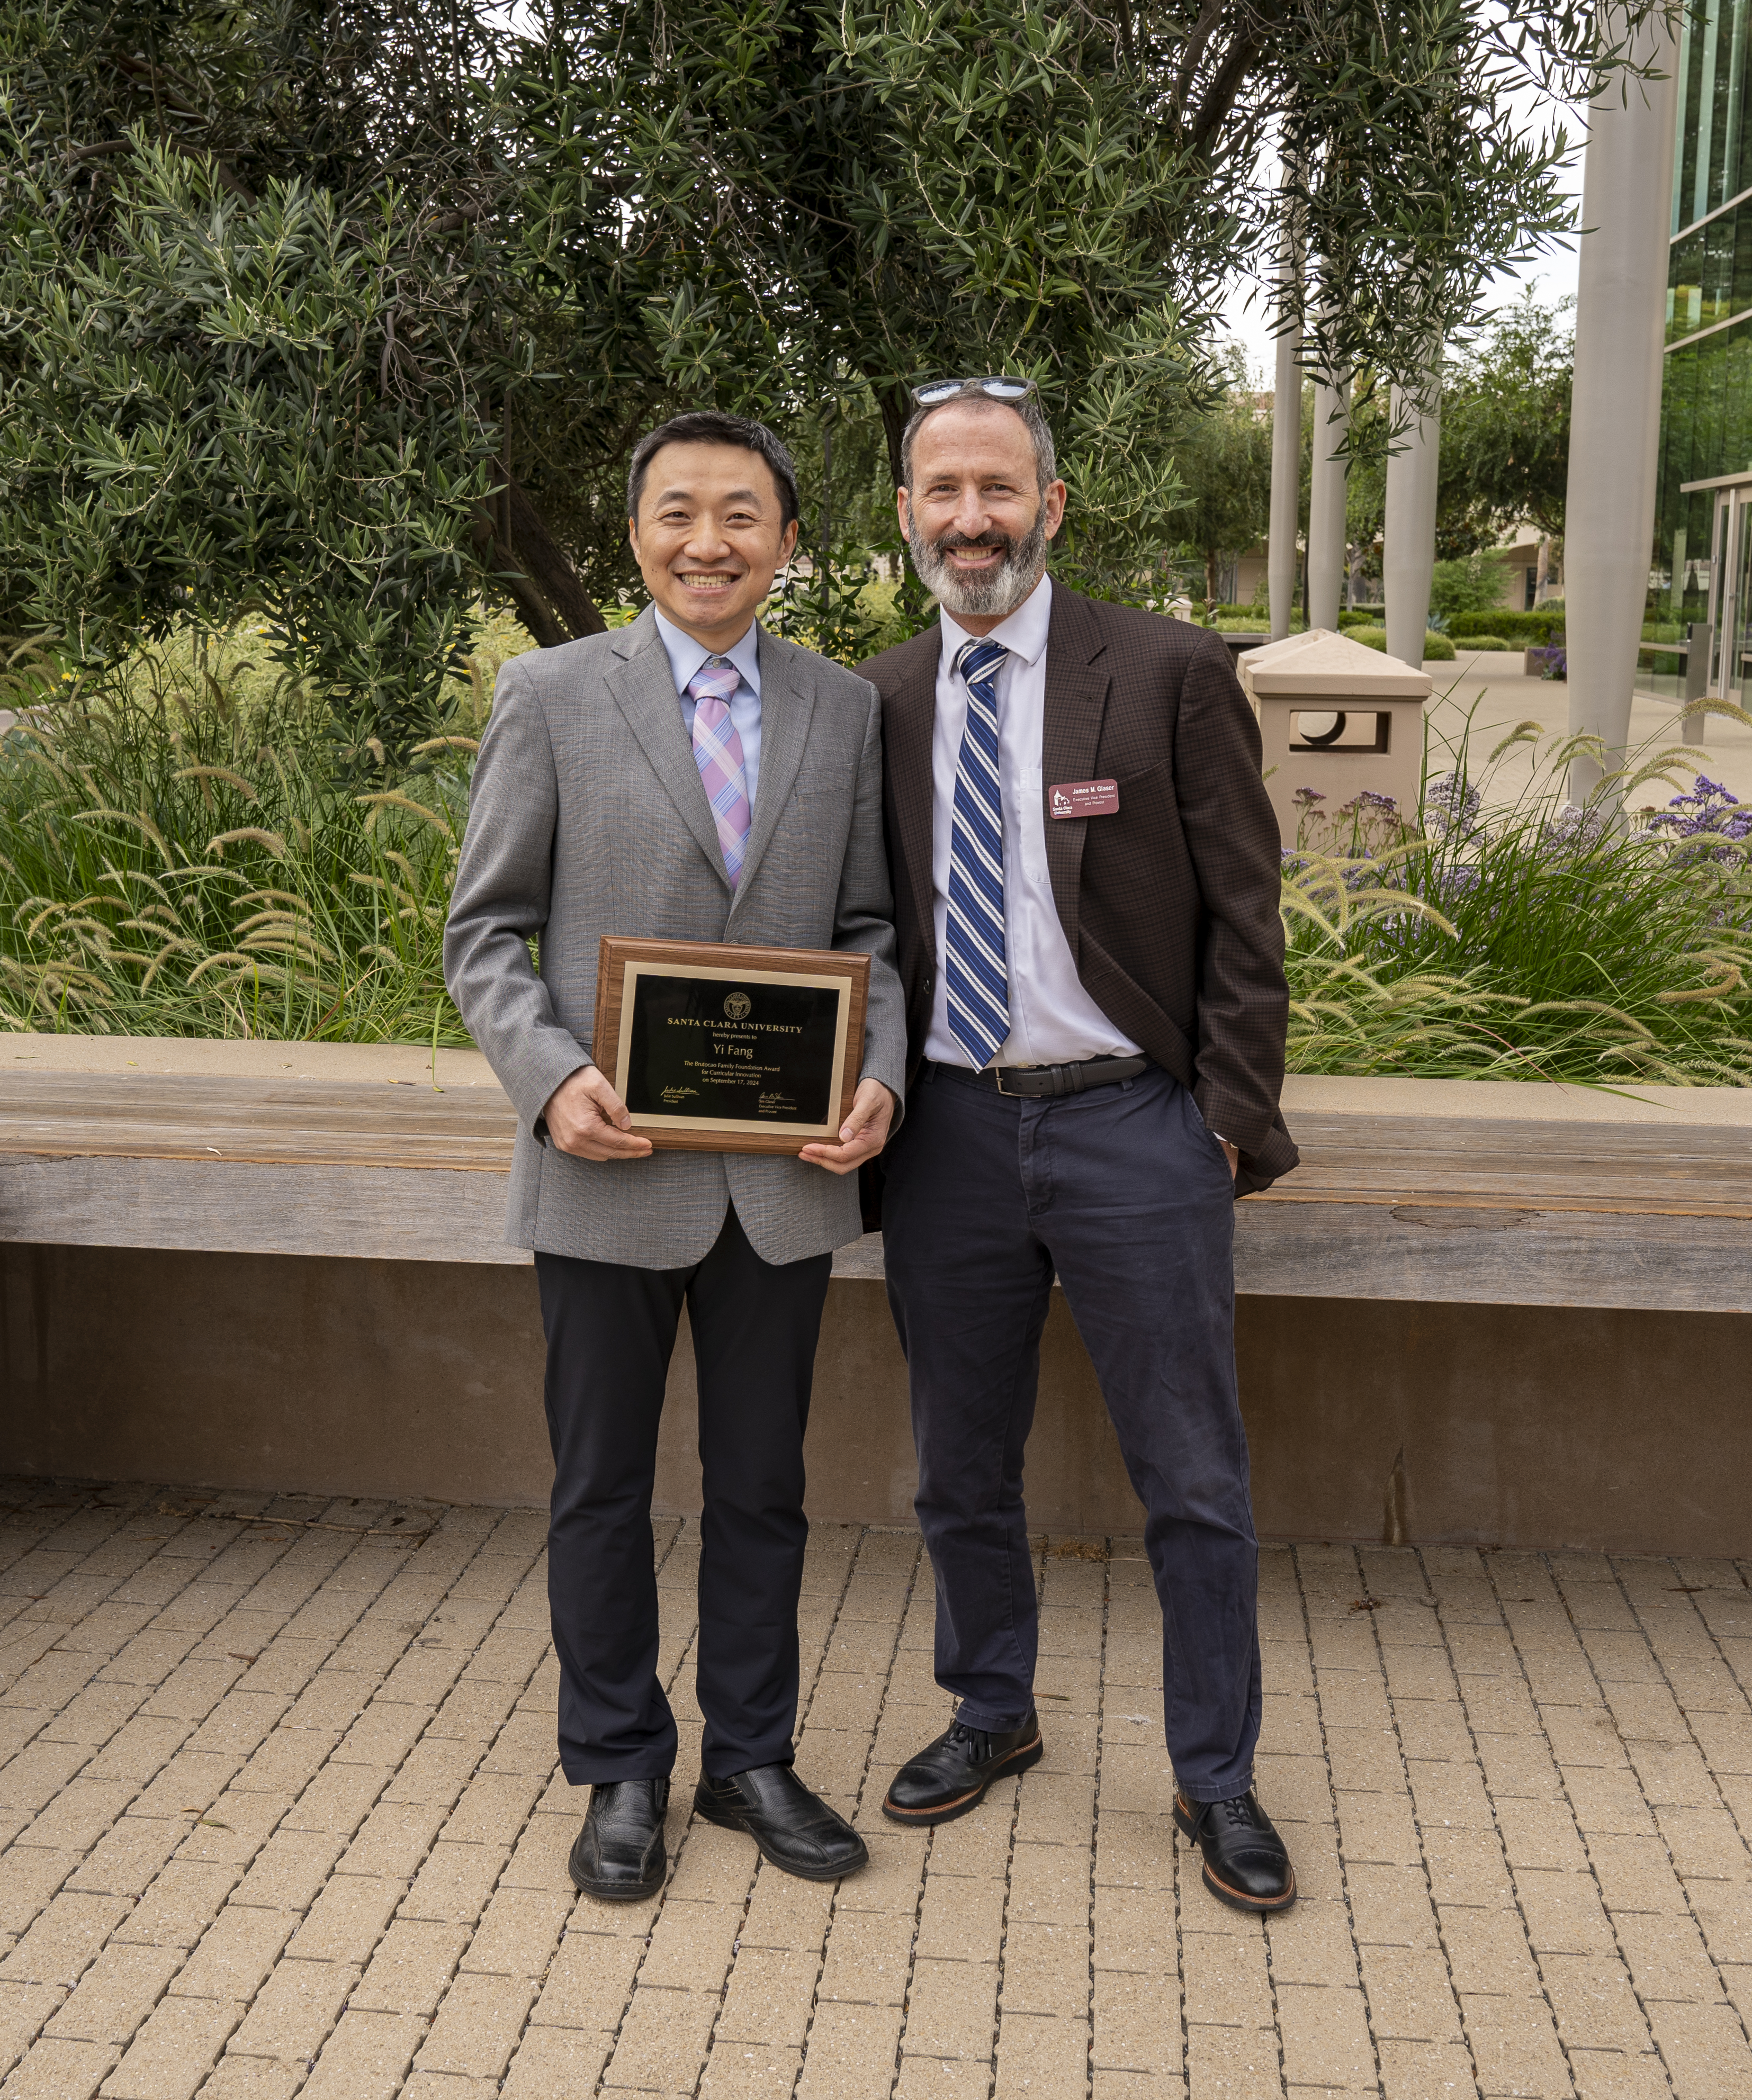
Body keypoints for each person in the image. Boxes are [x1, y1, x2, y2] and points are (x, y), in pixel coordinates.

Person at [443, 411, 909, 1903]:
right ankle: (621, 1766)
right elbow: (485, 935)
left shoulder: (844, 711)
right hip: (603, 1164)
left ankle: (752, 1760)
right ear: (634, 531)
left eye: (742, 514)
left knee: (763, 1486)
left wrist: (882, 1079)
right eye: (676, 512)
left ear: (788, 539)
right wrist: (550, 1076)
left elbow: (869, 939)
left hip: (781, 1183)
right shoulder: (552, 694)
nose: (708, 540)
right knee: (600, 1487)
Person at [857, 376, 1302, 1913]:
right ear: (907, 513)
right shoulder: (886, 694)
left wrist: (1226, 1130)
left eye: (997, 489)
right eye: (940, 492)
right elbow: (870, 933)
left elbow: (1250, 917)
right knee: (960, 1467)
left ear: (1050, 505)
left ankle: (1218, 1779)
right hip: (952, 1139)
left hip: (1135, 1129)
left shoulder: (1168, 671)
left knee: (1193, 1476)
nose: (969, 519)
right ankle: (992, 1713)